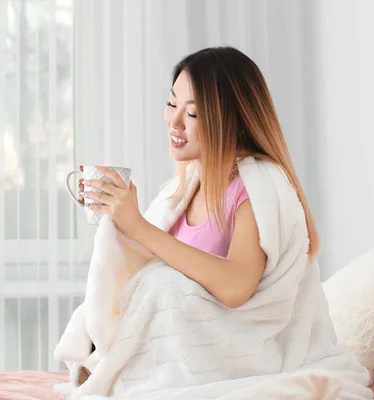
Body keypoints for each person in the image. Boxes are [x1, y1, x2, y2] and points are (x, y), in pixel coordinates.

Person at [76, 46, 318, 309]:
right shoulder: (182, 189)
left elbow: (235, 287)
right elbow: (156, 270)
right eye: (171, 104)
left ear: (231, 120)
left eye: (192, 113)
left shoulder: (258, 188)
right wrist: (118, 217)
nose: (174, 121)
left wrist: (138, 227)